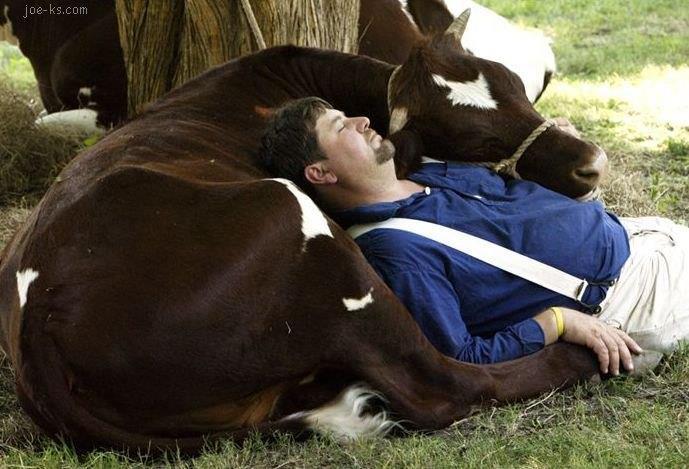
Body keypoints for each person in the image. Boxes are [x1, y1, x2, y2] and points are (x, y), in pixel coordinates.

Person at [258, 97, 689, 376]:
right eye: (341, 126)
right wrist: (558, 322)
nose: (362, 120)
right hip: (635, 295)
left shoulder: (427, 173)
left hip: (645, 235)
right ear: (322, 173)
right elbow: (460, 358)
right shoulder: (395, 248)